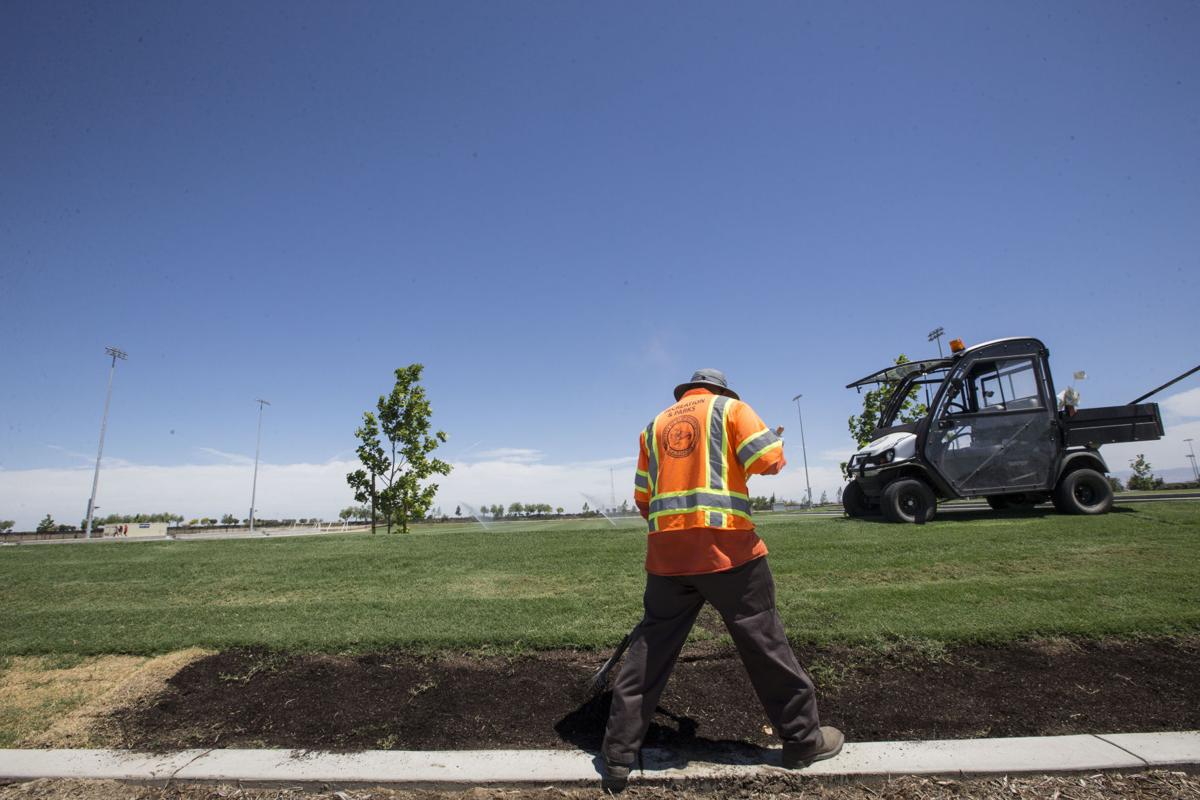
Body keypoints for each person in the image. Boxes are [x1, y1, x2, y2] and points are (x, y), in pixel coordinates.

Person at [601, 369, 842, 788]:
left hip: (666, 558)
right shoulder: (732, 410)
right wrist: (775, 440)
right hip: (729, 553)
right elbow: (769, 461)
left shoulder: (654, 427)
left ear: (686, 392)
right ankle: (803, 739)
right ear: (720, 390)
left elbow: (644, 498)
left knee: (650, 649)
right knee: (764, 642)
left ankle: (618, 754)